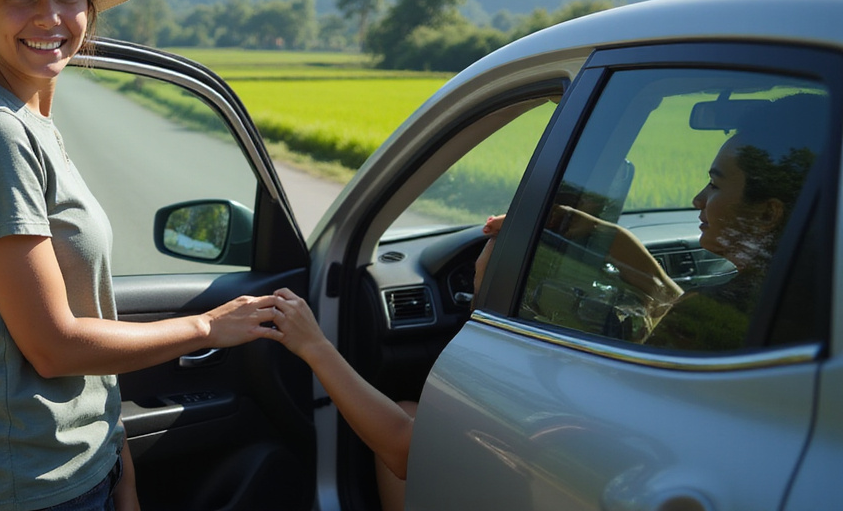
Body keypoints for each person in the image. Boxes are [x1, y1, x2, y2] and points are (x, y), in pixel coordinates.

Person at [0, 0, 280, 511]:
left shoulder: (28, 121)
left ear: (88, 8)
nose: (49, 17)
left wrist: (114, 453)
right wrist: (208, 327)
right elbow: (54, 344)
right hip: (23, 485)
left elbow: (78, 315)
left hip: (65, 467)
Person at [270, 92, 827, 511]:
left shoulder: (720, 315)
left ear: (770, 212)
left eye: (716, 183)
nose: (697, 198)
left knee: (420, 423)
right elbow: (679, 308)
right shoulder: (791, 297)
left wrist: (317, 345)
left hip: (623, 470)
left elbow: (402, 449)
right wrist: (601, 235)